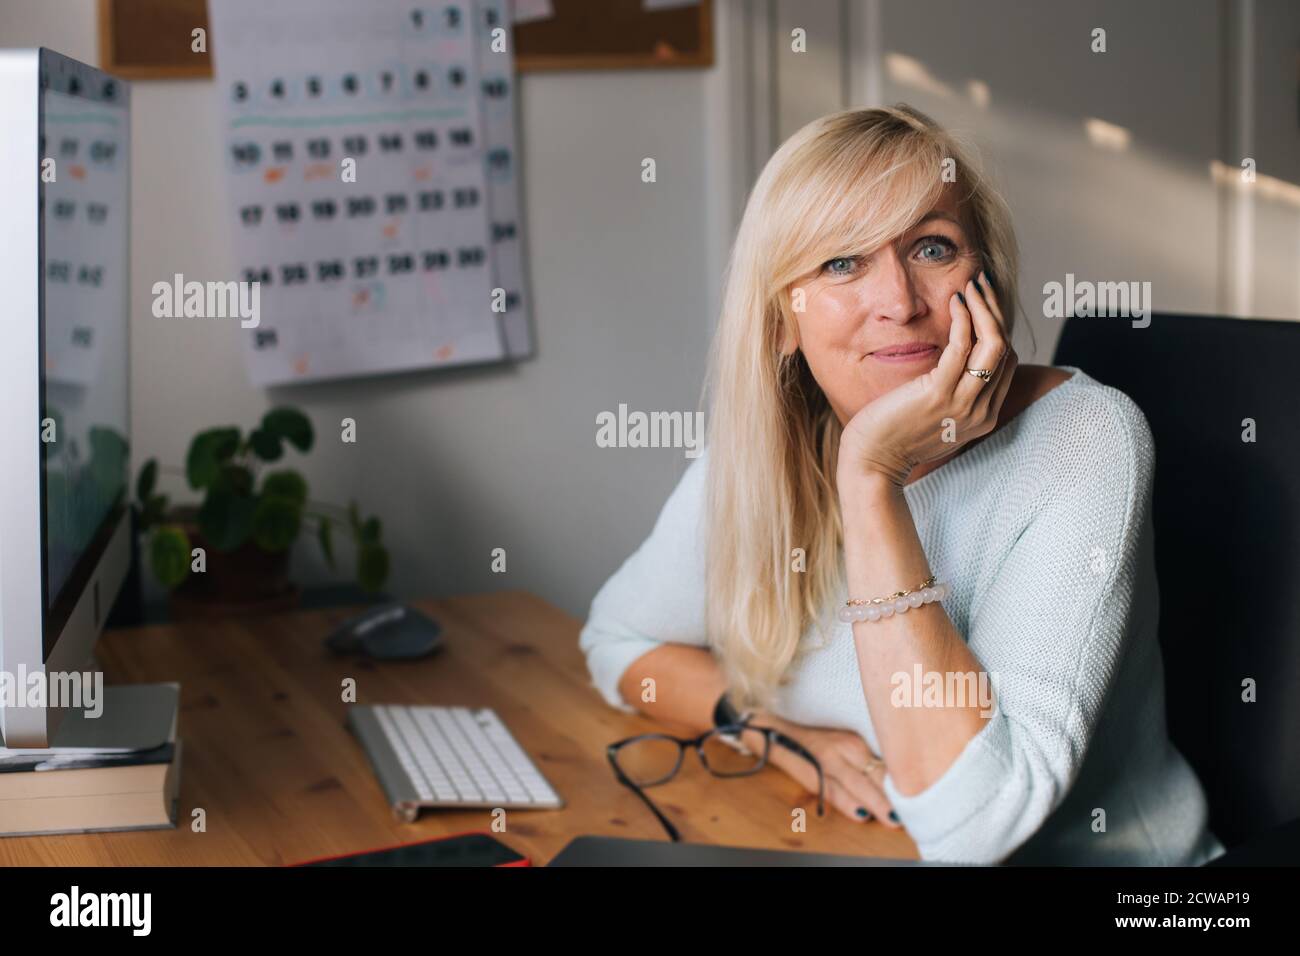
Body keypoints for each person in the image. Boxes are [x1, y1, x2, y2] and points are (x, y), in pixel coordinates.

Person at [579, 105, 1223, 865]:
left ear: (983, 278)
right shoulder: (757, 452)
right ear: (783, 320)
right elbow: (619, 641)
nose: (900, 301)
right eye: (842, 262)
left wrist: (871, 478)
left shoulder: (1085, 440)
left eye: (930, 247)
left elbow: (977, 827)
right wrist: (772, 733)